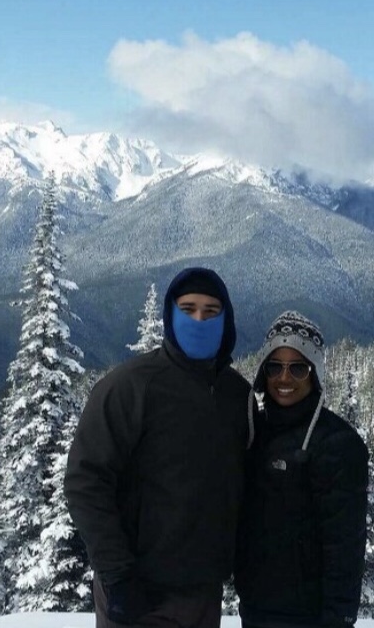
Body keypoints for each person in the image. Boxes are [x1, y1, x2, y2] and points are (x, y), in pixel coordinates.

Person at [65, 267, 250, 628]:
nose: (200, 319)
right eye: (189, 308)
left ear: (226, 320)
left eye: (211, 311)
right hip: (140, 592)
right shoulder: (130, 387)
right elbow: (84, 482)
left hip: (203, 592)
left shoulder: (236, 395)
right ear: (170, 315)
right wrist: (118, 575)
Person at [234, 311, 369, 628]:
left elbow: (345, 547)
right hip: (254, 607)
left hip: (307, 617)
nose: (284, 378)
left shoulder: (337, 443)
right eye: (274, 366)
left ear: (315, 373)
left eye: (298, 367)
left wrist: (339, 618)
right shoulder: (256, 431)